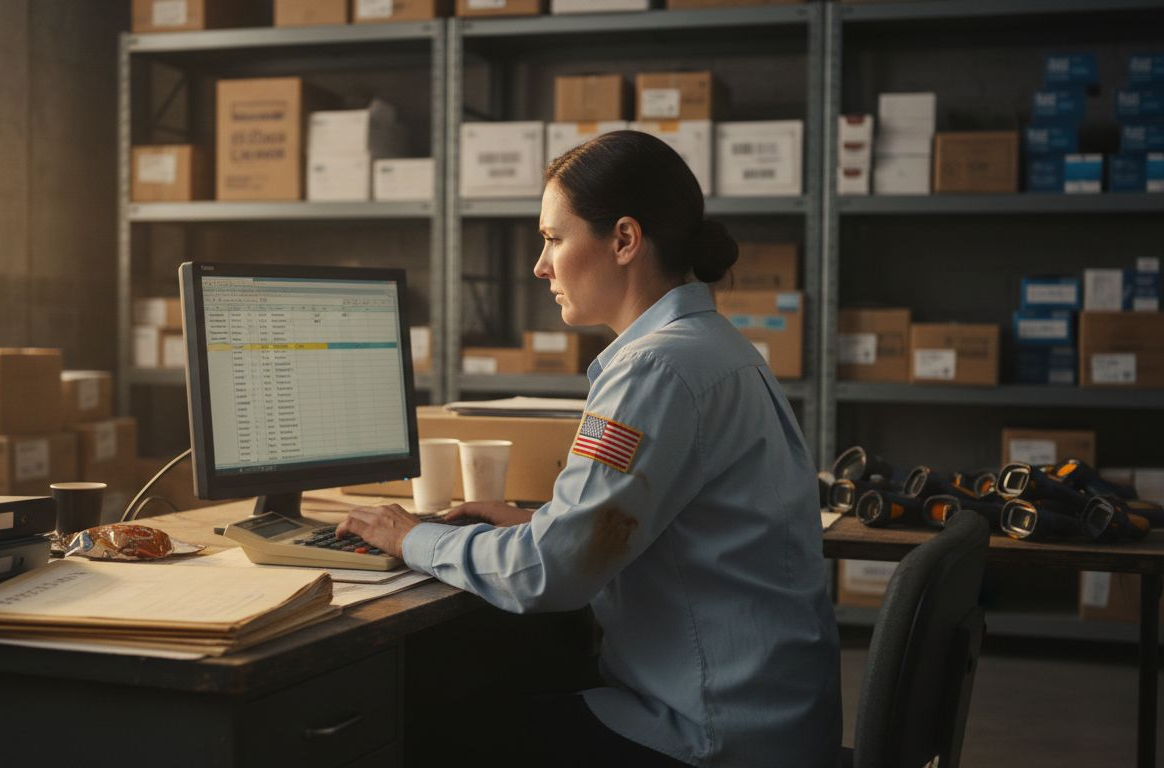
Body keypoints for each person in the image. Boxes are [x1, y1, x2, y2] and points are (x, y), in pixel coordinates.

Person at [337, 130, 841, 767]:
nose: (540, 265)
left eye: (553, 238)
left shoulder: (656, 369)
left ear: (625, 240)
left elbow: (551, 572)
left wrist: (411, 538)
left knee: (431, 724)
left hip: (707, 737)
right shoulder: (721, 349)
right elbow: (656, 528)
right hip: (769, 721)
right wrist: (541, 524)